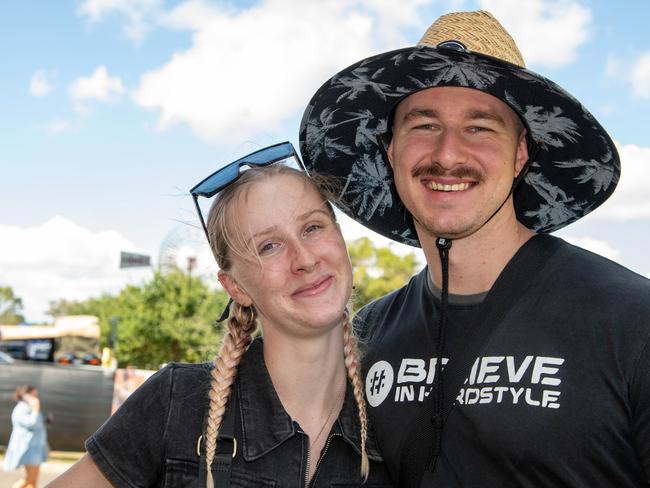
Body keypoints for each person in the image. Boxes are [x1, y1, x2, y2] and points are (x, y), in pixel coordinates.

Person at [299, 9, 650, 487]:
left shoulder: (632, 321)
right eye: (424, 125)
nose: (447, 154)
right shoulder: (365, 337)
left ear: (520, 154)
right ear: (391, 151)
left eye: (479, 127)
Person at [46, 143, 393, 487]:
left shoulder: (395, 417)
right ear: (235, 287)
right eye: (269, 246)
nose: (304, 258)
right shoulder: (178, 402)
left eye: (313, 228)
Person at [3, 385, 49, 488]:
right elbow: (32, 423)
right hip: (28, 449)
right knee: (30, 478)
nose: (36, 398)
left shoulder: (30, 408)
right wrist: (36, 407)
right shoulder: (20, 409)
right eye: (33, 395)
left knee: (34, 481)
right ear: (25, 395)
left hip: (36, 448)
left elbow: (38, 423)